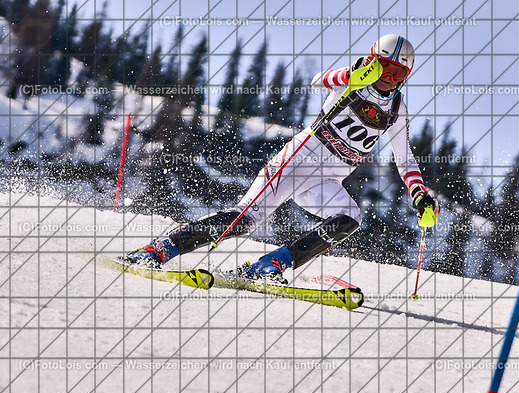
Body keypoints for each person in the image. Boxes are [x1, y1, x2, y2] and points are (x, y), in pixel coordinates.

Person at [125, 34, 439, 280]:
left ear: (405, 76)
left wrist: (420, 194)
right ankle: (159, 249)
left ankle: (271, 264)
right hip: (296, 162)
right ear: (372, 61)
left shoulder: (397, 109)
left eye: (396, 73)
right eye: (383, 67)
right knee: (243, 221)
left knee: (350, 218)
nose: (387, 78)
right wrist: (351, 75)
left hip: (326, 181)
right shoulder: (353, 81)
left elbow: (405, 159)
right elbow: (318, 80)